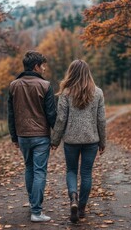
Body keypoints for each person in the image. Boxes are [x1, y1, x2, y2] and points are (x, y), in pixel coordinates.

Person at [51, 59, 106, 223]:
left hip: (71, 140)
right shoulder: (98, 92)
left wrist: (55, 140)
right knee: (86, 173)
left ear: (71, 73)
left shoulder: (65, 93)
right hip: (91, 140)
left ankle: (73, 198)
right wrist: (103, 142)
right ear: (87, 73)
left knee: (71, 171)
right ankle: (81, 208)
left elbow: (61, 119)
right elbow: (101, 120)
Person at [8, 50, 57, 222]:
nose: (44, 69)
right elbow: (51, 114)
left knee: (29, 169)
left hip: (23, 136)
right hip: (41, 136)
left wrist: (14, 137)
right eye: (43, 65)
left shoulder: (13, 85)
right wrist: (57, 136)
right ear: (36, 66)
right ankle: (36, 212)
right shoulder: (45, 85)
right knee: (39, 172)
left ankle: (32, 203)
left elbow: (11, 114)